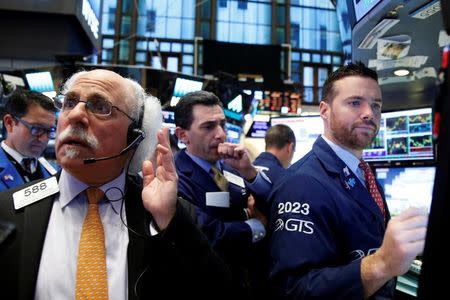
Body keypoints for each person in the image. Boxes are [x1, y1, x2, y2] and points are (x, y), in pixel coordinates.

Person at [0, 69, 232, 300]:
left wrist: (171, 221)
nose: (75, 115)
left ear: (135, 136)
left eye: (100, 106)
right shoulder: (8, 209)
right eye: (70, 102)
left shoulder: (165, 214)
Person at [268, 62, 428, 299]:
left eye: (376, 105)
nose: (369, 113)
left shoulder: (362, 171)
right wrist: (381, 263)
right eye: (355, 102)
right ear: (324, 110)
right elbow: (296, 290)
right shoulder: (302, 185)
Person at [174, 90, 271, 299]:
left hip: (246, 282)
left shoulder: (232, 167)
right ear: (182, 135)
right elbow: (205, 233)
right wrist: (257, 226)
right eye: (209, 127)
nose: (221, 134)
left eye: (222, 124)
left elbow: (270, 204)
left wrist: (250, 173)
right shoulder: (175, 177)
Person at [0, 89, 58, 191]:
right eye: (37, 128)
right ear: (10, 123)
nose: (44, 139)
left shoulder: (53, 170)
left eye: (50, 131)